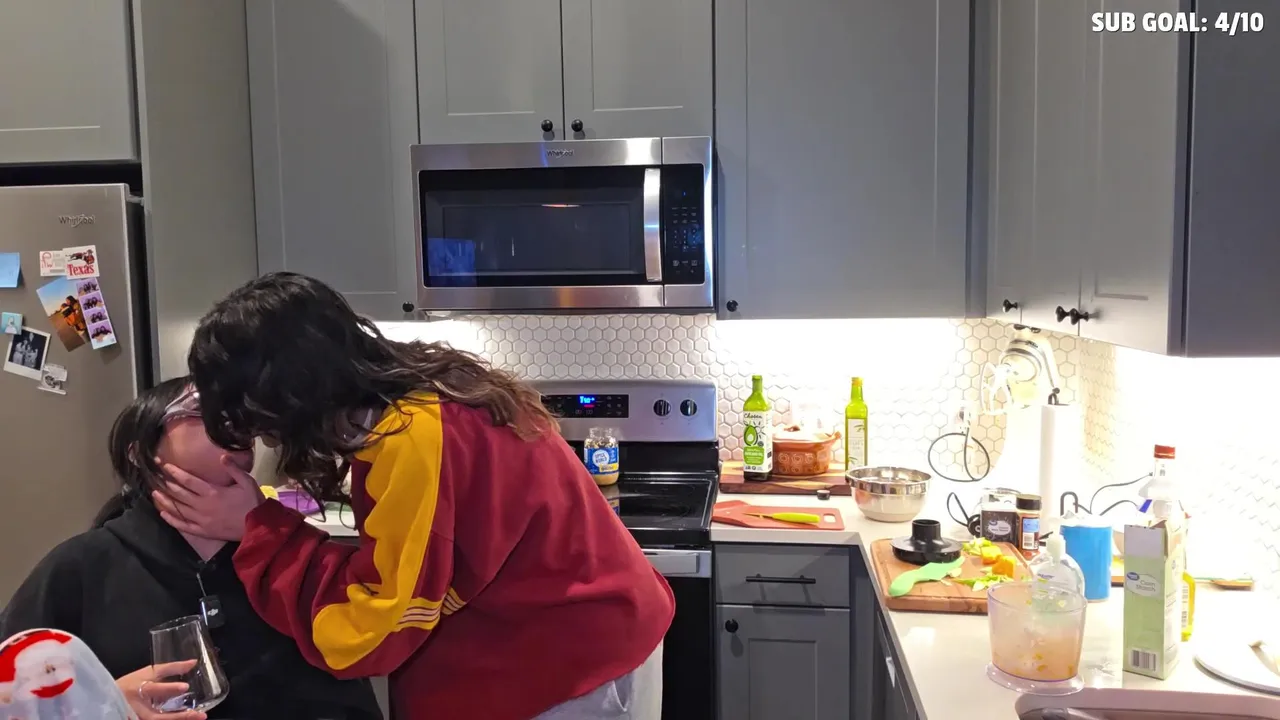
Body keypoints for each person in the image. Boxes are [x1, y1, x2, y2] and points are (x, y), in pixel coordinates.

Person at [153, 272, 673, 720]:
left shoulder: (414, 436)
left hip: (573, 663)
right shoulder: (422, 391)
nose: (263, 439)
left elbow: (374, 624)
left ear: (289, 395)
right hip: (588, 632)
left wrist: (257, 530)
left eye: (258, 419)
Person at [0, 377, 382, 720]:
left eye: (237, 413)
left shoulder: (285, 552)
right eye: (202, 408)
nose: (232, 420)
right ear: (140, 451)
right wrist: (106, 703)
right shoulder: (80, 569)